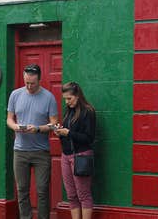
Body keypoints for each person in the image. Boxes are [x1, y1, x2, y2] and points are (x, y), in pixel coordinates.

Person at [7, 64, 59, 219]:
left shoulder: (49, 97)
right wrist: (16, 126)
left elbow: (54, 124)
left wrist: (37, 129)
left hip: (41, 151)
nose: (29, 86)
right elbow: (9, 119)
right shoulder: (15, 95)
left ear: (39, 80)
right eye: (26, 82)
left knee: (42, 190)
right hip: (20, 151)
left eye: (32, 83)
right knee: (22, 190)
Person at [54, 81, 96, 219]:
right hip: (66, 156)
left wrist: (68, 133)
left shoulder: (88, 111)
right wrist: (60, 132)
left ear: (77, 95)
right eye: (65, 99)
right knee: (71, 195)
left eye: (69, 98)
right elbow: (67, 135)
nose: (67, 102)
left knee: (83, 194)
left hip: (82, 156)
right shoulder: (69, 112)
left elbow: (89, 138)